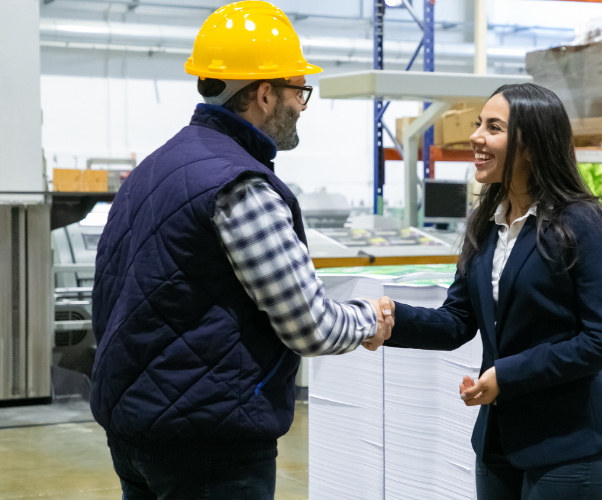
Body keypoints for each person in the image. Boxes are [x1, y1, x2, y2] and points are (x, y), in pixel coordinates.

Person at [90, 2, 393, 499]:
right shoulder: (241, 187)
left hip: (134, 429)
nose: (302, 106)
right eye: (300, 91)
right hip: (210, 442)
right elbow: (309, 326)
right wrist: (368, 319)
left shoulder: (153, 168)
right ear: (266, 95)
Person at [376, 83, 602, 500]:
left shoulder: (582, 223)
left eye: (493, 127)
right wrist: (391, 319)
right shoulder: (485, 222)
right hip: (498, 442)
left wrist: (509, 375)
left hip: (570, 446)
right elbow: (458, 320)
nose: (476, 136)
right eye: (479, 124)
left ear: (531, 146)